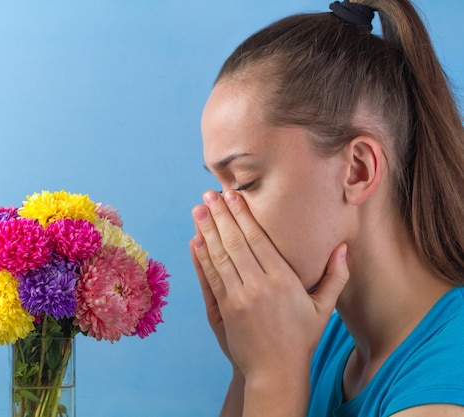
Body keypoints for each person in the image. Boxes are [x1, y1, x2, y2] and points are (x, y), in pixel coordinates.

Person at [189, 0, 464, 415]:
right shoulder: (314, 336)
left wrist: (273, 376)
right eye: (219, 186)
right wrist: (246, 368)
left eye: (245, 181)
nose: (220, 214)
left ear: (357, 170)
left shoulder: (443, 387)